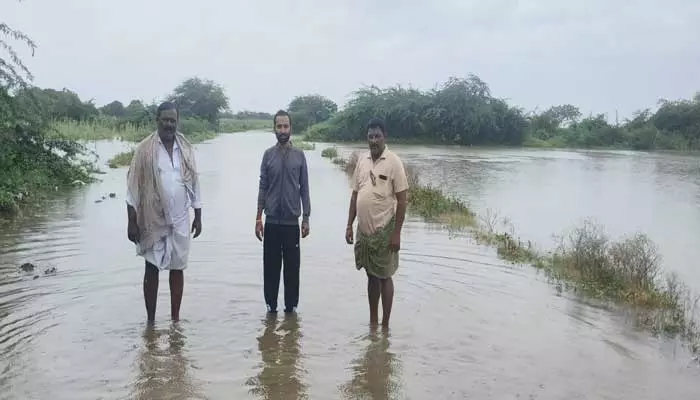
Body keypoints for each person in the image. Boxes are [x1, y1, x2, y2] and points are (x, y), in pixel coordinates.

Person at [126, 101, 202, 322]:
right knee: (152, 267)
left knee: (177, 268)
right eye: (165, 120)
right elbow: (132, 187)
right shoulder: (145, 150)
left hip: (180, 219)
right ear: (157, 120)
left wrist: (198, 214)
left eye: (173, 120)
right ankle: (150, 322)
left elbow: (194, 182)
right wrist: (131, 221)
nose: (169, 124)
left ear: (177, 122)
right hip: (152, 218)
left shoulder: (185, 149)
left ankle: (175, 321)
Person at [345, 117, 408, 327]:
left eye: (377, 136)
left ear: (384, 137)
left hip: (385, 230)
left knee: (385, 276)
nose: (373, 140)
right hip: (364, 231)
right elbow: (355, 195)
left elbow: (402, 199)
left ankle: (385, 325)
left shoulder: (394, 162)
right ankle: (373, 323)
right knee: (371, 276)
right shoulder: (362, 161)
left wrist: (396, 233)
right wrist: (349, 225)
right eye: (370, 136)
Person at [255, 110, 311, 314]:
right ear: (274, 129)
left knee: (292, 270)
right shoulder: (268, 155)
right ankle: (270, 310)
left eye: (285, 126)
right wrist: (258, 218)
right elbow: (263, 186)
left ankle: (291, 311)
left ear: (291, 128)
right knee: (270, 270)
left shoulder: (299, 156)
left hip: (291, 224)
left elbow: (304, 188)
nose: (282, 130)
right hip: (270, 223)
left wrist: (306, 218)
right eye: (279, 126)